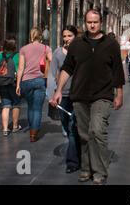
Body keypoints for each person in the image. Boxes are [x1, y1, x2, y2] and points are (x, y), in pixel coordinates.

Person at [50, 9, 124, 185]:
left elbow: (117, 72)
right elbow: (67, 68)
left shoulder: (111, 44)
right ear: (85, 23)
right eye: (89, 22)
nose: (92, 25)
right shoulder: (76, 44)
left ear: (101, 23)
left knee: (97, 131)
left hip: (103, 95)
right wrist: (58, 90)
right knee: (83, 134)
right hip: (80, 95)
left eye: (95, 22)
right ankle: (85, 168)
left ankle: (99, 172)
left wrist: (119, 94)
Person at [47, 25, 81, 174]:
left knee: (73, 128)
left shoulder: (81, 52)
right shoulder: (57, 53)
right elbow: (51, 74)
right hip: (62, 96)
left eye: (69, 36)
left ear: (75, 36)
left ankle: (73, 162)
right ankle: (78, 151)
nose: (66, 39)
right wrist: (51, 94)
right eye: (64, 36)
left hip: (78, 95)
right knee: (67, 127)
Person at [16, 27, 52, 142]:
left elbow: (21, 68)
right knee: (37, 108)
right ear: (40, 36)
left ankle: (32, 127)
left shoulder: (24, 49)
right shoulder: (46, 48)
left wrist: (18, 84)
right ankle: (33, 134)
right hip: (40, 80)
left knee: (30, 106)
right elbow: (52, 61)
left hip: (26, 80)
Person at [0, 38, 21, 136]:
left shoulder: (0, 56)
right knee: (16, 103)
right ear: (15, 46)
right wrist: (19, 84)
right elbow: (20, 70)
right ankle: (15, 126)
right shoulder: (17, 56)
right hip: (13, 82)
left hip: (2, 82)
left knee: (5, 105)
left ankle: (5, 129)